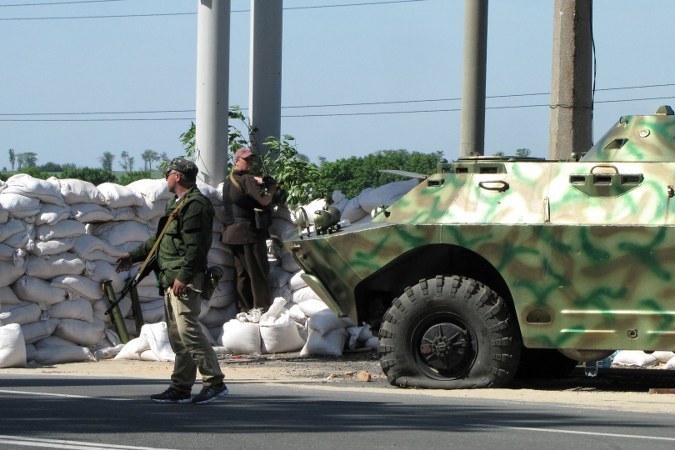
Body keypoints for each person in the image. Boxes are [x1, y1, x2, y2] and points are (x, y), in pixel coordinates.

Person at [116, 157, 227, 405]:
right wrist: (132, 257)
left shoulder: (195, 205)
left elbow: (196, 247)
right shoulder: (178, 203)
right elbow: (159, 242)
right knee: (178, 336)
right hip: (170, 278)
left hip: (183, 279)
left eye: (168, 173)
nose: (165, 177)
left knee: (188, 330)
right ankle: (181, 387)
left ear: (177, 176)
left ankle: (214, 382)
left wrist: (184, 277)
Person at [221, 147, 277, 313]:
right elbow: (265, 200)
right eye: (246, 159)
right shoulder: (246, 179)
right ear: (236, 160)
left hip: (232, 232)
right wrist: (272, 187)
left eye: (251, 159)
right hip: (248, 233)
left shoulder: (229, 180)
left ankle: (244, 309)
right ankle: (262, 308)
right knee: (257, 271)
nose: (250, 162)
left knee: (242, 273)